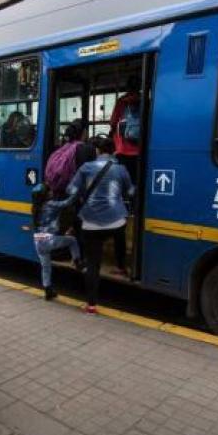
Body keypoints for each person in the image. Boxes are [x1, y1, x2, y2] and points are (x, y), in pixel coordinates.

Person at [66, 137, 135, 314]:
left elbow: (71, 190)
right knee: (120, 229)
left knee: (93, 264)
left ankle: (91, 305)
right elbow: (131, 191)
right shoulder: (121, 169)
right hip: (116, 219)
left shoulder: (86, 168)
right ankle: (121, 266)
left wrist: (83, 194)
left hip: (91, 223)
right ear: (113, 152)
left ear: (97, 151)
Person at [31, 183, 83, 300]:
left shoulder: (35, 208)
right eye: (49, 191)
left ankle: (48, 290)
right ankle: (77, 262)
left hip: (38, 241)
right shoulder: (51, 205)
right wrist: (77, 193)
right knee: (72, 241)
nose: (51, 192)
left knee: (46, 267)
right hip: (49, 240)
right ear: (45, 195)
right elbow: (66, 203)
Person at [44, 119, 95, 199]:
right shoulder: (86, 149)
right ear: (84, 132)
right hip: (76, 196)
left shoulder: (61, 149)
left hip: (59, 194)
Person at [109, 75, 141, 182]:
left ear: (127, 87)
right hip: (139, 151)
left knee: (122, 182)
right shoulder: (145, 100)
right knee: (136, 181)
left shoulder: (122, 101)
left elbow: (113, 122)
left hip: (122, 150)